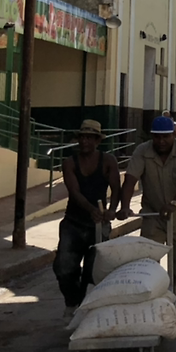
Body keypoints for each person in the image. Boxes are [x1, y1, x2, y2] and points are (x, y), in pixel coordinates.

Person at [118, 116, 176, 296]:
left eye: (166, 137)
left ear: (173, 135)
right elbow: (130, 180)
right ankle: (153, 303)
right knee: (148, 264)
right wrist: (125, 206)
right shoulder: (142, 151)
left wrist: (174, 204)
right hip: (153, 215)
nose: (161, 141)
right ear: (151, 136)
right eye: (157, 137)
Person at [53, 120, 120, 315]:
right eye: (82, 137)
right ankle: (72, 301)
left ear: (97, 141)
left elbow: (116, 188)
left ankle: (84, 306)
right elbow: (74, 191)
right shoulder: (69, 162)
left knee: (94, 270)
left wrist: (112, 210)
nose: (84, 141)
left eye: (90, 138)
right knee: (63, 267)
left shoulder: (108, 161)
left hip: (98, 225)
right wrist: (91, 209)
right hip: (73, 222)